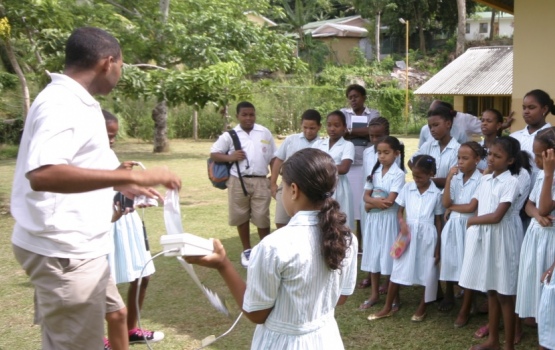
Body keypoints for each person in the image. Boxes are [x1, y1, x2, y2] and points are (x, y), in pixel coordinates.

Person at [10, 27, 181, 350]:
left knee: (115, 313)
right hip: (64, 253)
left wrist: (119, 183)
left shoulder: (76, 102)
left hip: (81, 250)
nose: (120, 73)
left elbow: (74, 168)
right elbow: (44, 174)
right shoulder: (62, 104)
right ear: (108, 62)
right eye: (121, 65)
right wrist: (134, 178)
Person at [185, 148, 358, 350]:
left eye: (281, 188)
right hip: (326, 339)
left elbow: (257, 313)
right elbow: (341, 297)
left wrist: (223, 265)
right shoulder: (346, 238)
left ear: (293, 190)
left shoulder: (274, 246)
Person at [103, 111, 164, 350]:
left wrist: (138, 196)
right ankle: (100, 339)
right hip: (106, 222)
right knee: (102, 283)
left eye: (114, 136)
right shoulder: (84, 155)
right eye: (108, 135)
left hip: (127, 221)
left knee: (142, 274)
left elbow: (120, 186)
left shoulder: (107, 152)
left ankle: (130, 330)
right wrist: (117, 174)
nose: (112, 140)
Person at [458, 136, 527, 350]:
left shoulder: (511, 182)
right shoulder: (485, 179)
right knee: (490, 289)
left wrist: (472, 221)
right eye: (490, 154)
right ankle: (493, 341)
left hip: (503, 238)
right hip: (485, 238)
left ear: (510, 161)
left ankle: (508, 345)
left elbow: (497, 216)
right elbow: (480, 205)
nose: (491, 159)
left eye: (498, 156)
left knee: (504, 293)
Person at [368, 155, 443, 322]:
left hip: (427, 236)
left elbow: (438, 220)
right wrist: (401, 222)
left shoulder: (437, 194)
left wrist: (438, 247)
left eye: (420, 176)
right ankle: (388, 306)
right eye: (414, 176)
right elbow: (399, 210)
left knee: (427, 270)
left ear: (431, 174)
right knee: (398, 268)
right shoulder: (408, 188)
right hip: (407, 234)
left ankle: (423, 306)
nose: (416, 179)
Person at [210, 101, 276, 268]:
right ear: (237, 116)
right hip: (237, 180)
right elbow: (214, 153)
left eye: (251, 114)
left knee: (262, 216)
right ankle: (247, 250)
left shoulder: (264, 132)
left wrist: (274, 178)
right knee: (241, 215)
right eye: (244, 115)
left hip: (261, 180)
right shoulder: (230, 135)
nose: (248, 118)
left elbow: (273, 157)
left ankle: (266, 249)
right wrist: (231, 157)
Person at [516, 128, 555, 339]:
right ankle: (539, 323)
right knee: (534, 280)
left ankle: (548, 330)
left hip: (551, 240)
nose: (537, 160)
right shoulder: (540, 174)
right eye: (535, 154)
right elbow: (530, 205)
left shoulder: (547, 174)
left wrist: (549, 173)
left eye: (541, 156)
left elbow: (546, 206)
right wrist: (537, 216)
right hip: (536, 235)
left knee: (549, 286)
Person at [439, 142, 484, 325]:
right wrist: (449, 179)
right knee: (449, 260)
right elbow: (445, 201)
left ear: (477, 160)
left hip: (468, 225)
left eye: (465, 158)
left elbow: (471, 206)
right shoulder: (456, 177)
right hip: (452, 226)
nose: (460, 162)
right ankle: (449, 293)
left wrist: (451, 207)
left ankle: (466, 307)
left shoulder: (481, 179)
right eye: (458, 158)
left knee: (468, 265)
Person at [358, 136, 405, 310]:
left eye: (386, 152)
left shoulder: (398, 175)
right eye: (379, 152)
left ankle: (395, 297)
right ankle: (374, 294)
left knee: (390, 255)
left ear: (396, 154)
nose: (382, 156)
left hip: (389, 221)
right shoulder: (374, 173)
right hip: (374, 221)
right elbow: (365, 196)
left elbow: (389, 201)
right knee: (373, 253)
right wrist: (372, 203)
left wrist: (371, 204)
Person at [340, 84, 380, 250]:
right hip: (349, 167)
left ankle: (364, 245)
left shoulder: (374, 114)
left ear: (364, 97)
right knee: (349, 205)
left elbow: (373, 129)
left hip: (368, 164)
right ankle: (349, 244)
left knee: (364, 207)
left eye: (356, 96)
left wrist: (351, 132)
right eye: (350, 97)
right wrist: (359, 131)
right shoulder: (343, 113)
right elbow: (340, 131)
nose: (353, 100)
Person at [270, 109, 321, 229]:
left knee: (303, 222)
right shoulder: (291, 140)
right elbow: (278, 160)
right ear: (301, 125)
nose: (308, 131)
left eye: (312, 128)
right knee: (281, 220)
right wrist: (273, 183)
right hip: (287, 184)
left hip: (309, 188)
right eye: (305, 127)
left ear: (319, 127)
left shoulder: (322, 144)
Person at [358, 117, 390, 288]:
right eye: (371, 136)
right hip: (369, 201)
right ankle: (371, 274)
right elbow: (366, 177)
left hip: (386, 201)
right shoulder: (367, 152)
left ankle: (386, 279)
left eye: (379, 136)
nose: (375, 140)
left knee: (385, 240)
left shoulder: (393, 150)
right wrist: (369, 200)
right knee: (369, 237)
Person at [312, 111, 355, 230]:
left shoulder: (347, 145)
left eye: (337, 125)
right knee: (321, 221)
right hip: (320, 186)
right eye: (329, 125)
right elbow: (310, 163)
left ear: (344, 128)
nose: (332, 129)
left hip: (339, 186)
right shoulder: (318, 144)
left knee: (340, 221)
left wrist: (320, 166)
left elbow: (344, 168)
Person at [418, 100, 513, 148]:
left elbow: (485, 128)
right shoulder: (425, 130)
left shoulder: (464, 119)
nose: (432, 129)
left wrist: (503, 125)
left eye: (436, 124)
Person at [510, 89, 555, 184]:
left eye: (531, 107)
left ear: (544, 109)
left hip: (543, 191)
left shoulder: (552, 137)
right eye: (524, 108)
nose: (526, 111)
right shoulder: (514, 137)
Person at [410, 106, 460, 189]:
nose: (432, 130)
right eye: (430, 127)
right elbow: (411, 161)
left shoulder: (458, 150)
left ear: (448, 124)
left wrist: (427, 179)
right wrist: (420, 174)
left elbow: (453, 180)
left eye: (436, 125)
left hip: (446, 197)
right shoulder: (428, 145)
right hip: (427, 196)